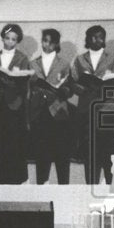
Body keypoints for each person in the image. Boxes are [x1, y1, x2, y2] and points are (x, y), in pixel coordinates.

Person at [69, 24, 114, 185]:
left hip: (107, 111)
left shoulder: (112, 58)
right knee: (90, 154)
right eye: (94, 36)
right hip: (86, 111)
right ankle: (90, 190)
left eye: (101, 37)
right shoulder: (79, 59)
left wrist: (100, 87)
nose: (98, 40)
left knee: (108, 152)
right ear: (88, 38)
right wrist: (82, 89)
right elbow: (73, 83)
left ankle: (111, 190)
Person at [0, 23, 32, 185]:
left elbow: (25, 84)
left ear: (17, 41)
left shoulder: (22, 58)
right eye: (7, 38)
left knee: (12, 143)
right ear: (2, 38)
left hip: (14, 105)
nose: (9, 42)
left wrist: (13, 80)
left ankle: (13, 180)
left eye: (14, 40)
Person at [29, 28, 73, 184]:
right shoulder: (33, 63)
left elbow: (70, 88)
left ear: (56, 44)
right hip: (39, 112)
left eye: (51, 42)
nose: (47, 45)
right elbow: (29, 88)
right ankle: (41, 189)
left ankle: (64, 191)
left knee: (61, 157)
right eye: (44, 41)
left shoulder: (64, 63)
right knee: (41, 156)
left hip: (58, 112)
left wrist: (63, 90)